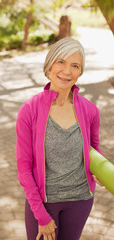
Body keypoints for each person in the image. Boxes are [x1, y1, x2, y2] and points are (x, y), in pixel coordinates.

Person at [16, 37, 103, 240]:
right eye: (61, 62)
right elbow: (24, 168)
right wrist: (41, 215)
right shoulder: (29, 111)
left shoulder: (90, 111)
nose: (67, 71)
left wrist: (98, 168)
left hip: (80, 200)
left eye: (75, 65)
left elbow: (94, 147)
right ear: (50, 64)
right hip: (44, 203)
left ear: (80, 72)